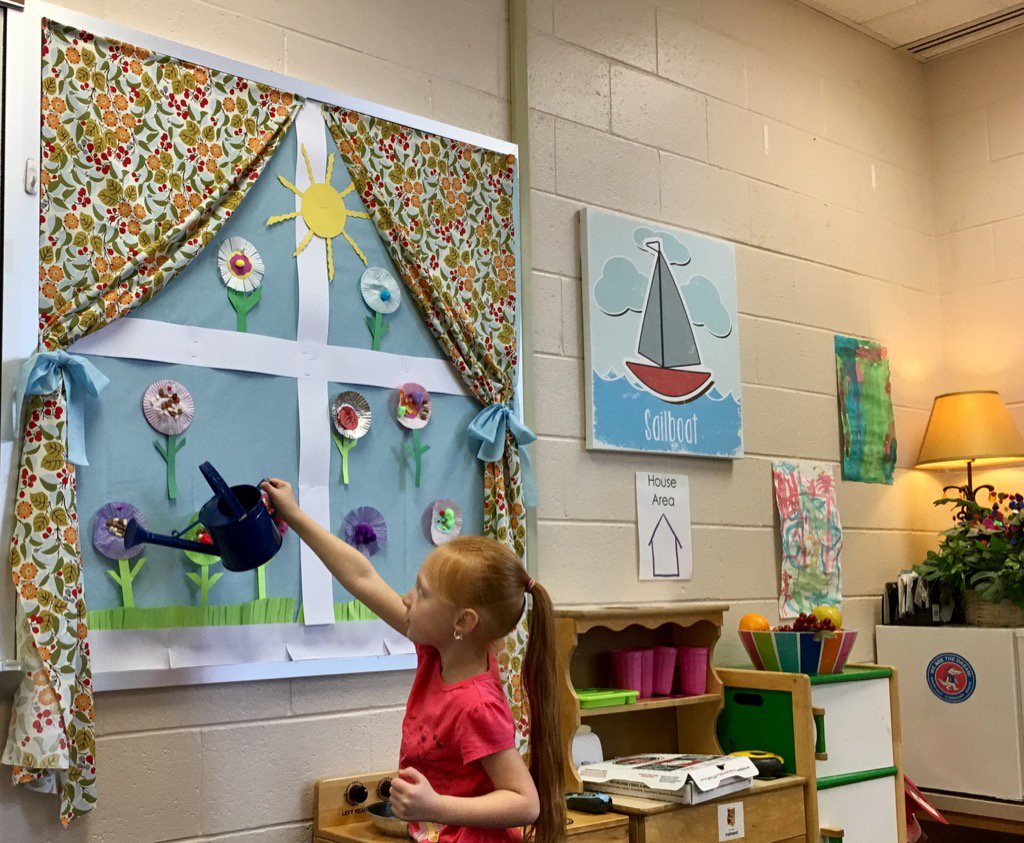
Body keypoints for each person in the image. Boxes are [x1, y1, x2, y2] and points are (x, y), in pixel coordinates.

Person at [261, 478, 565, 843]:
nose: (407, 598)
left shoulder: (477, 705)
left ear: (462, 622)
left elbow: (525, 802)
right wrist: (294, 515)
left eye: (422, 592)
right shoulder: (437, 650)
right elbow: (361, 576)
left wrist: (436, 806)